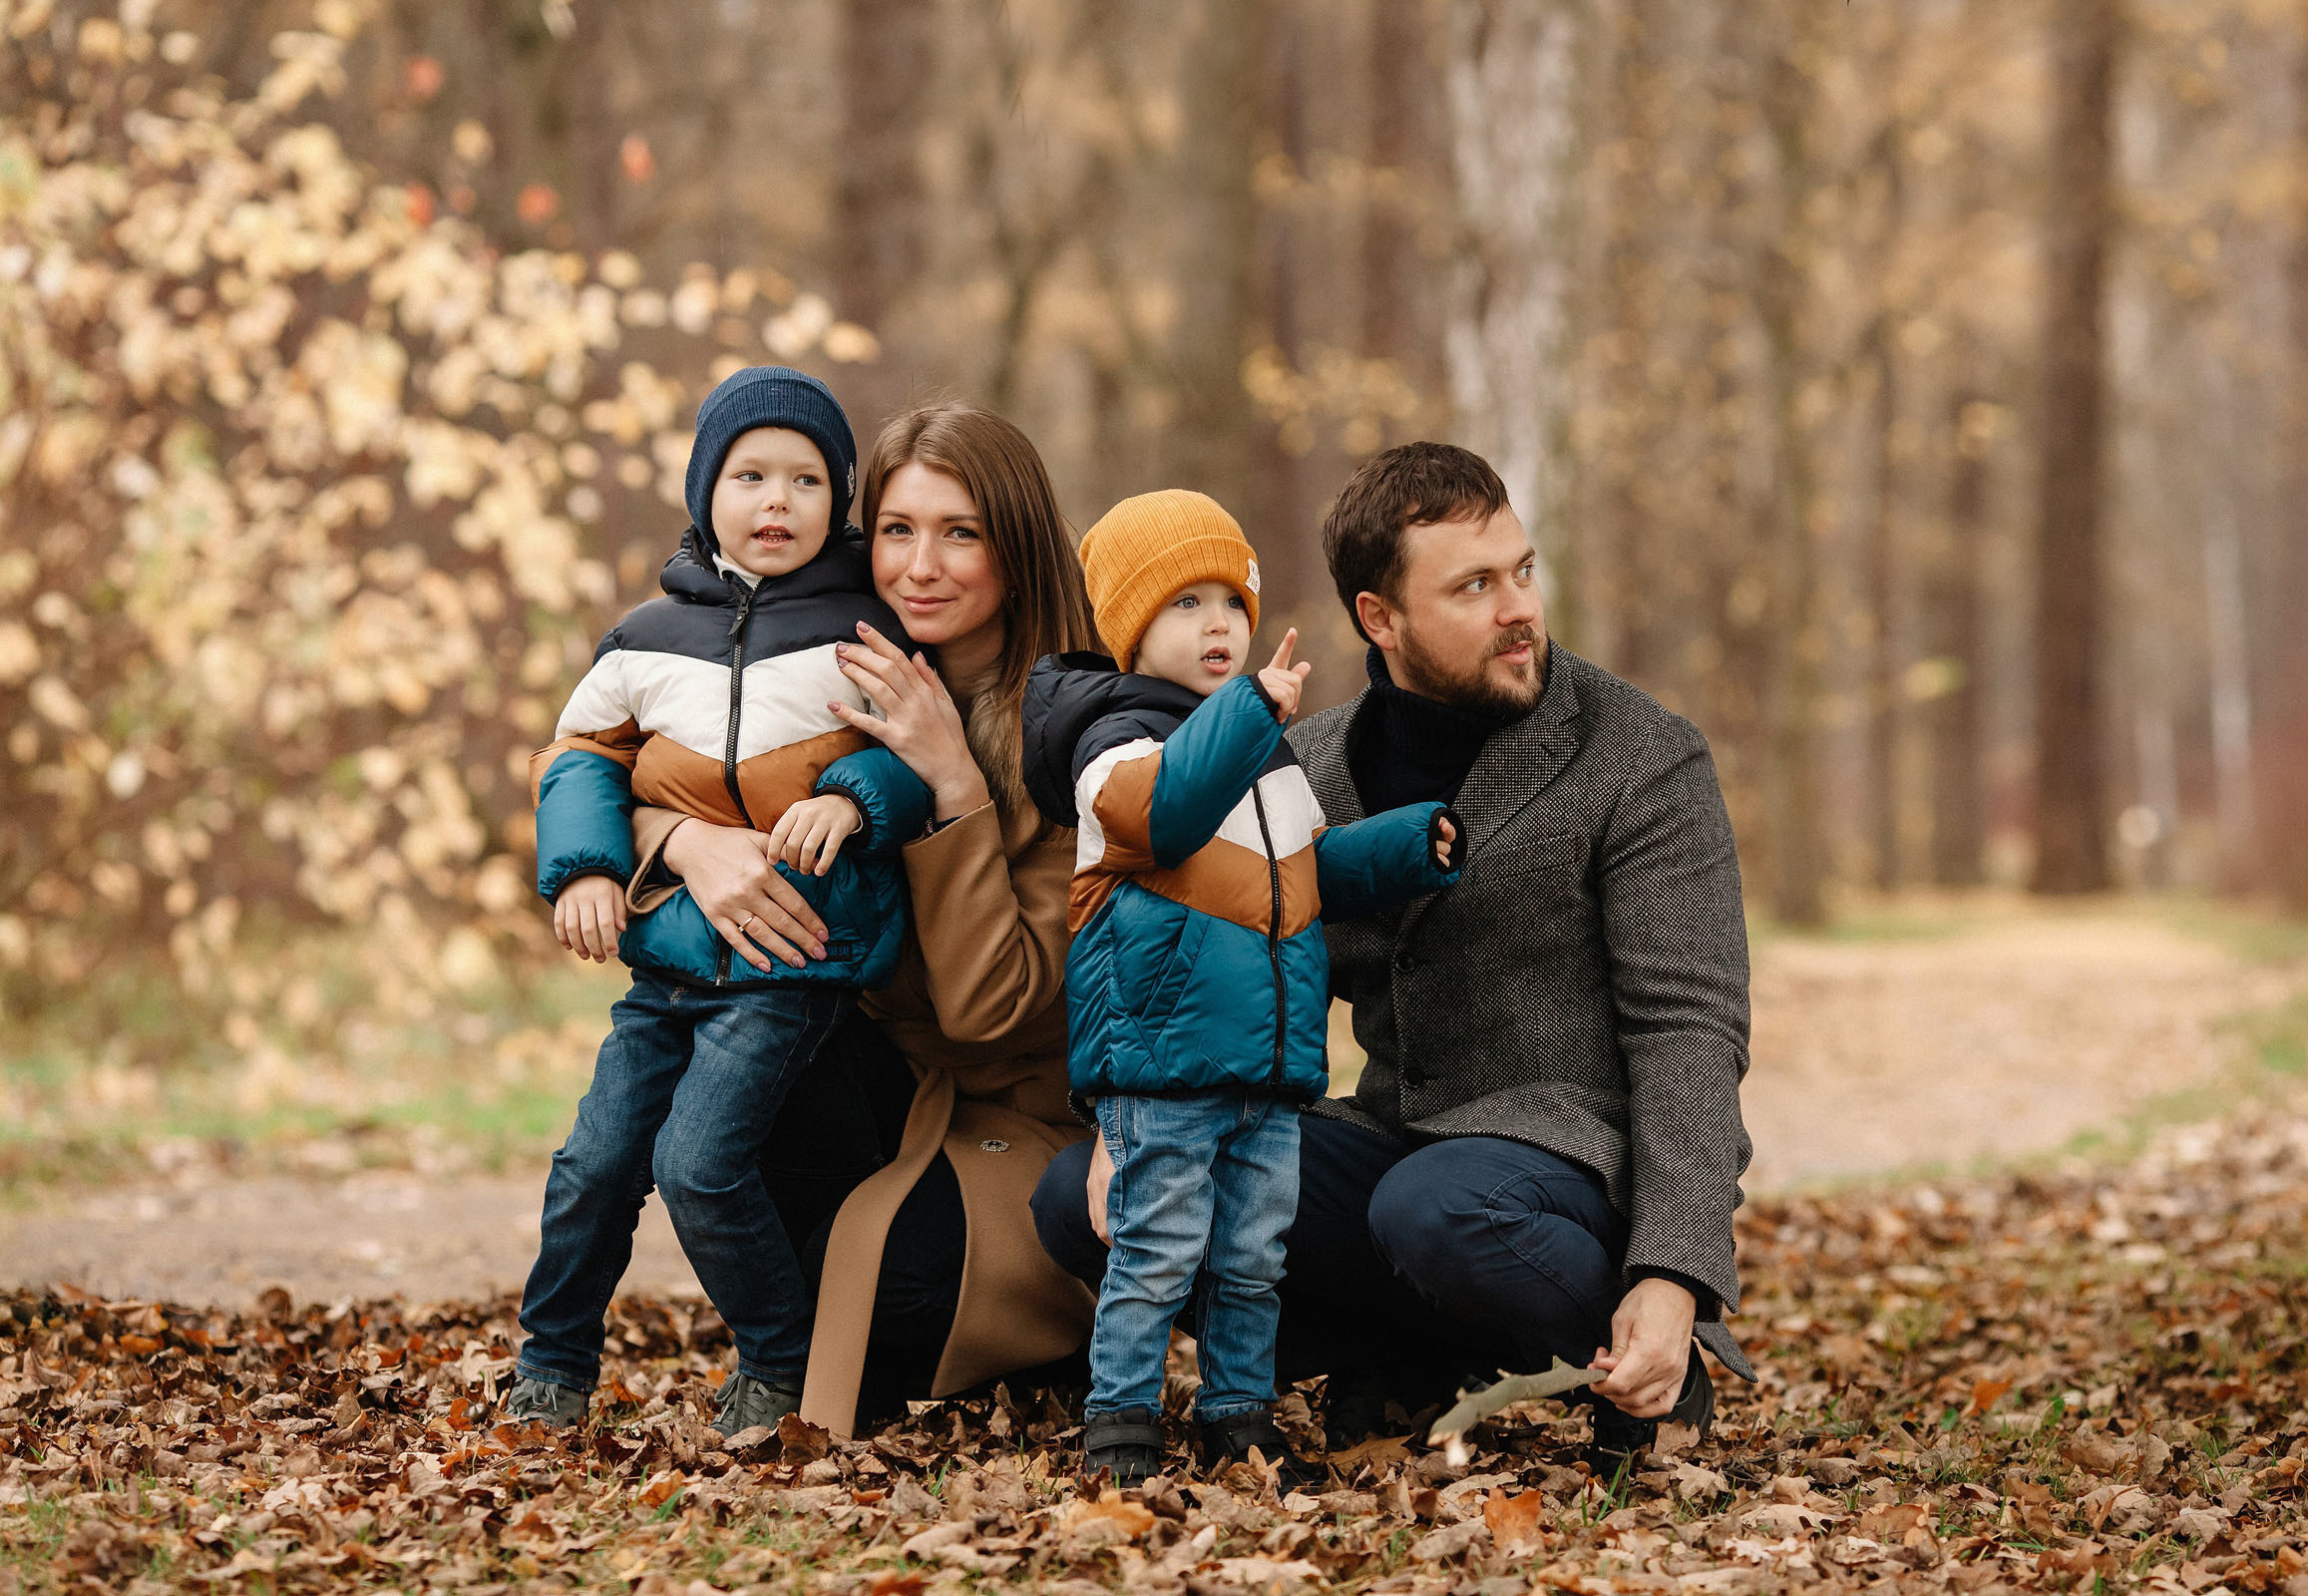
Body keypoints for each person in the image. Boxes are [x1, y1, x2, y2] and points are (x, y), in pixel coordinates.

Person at [1032, 442, 1755, 1468]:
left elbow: (1690, 1029)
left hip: (1560, 1171)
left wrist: (1672, 1275)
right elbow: (1184, 950)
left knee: (1440, 1206)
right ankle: (1399, 1351)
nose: (1519, 609)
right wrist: (1127, 1115)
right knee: (1087, 1195)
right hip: (1393, 1148)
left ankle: (1650, 1365)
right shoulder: (1300, 765)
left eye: (1521, 571)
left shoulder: (1640, 753)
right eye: (1473, 586)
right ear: (1380, 617)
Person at [620, 403, 1102, 1436]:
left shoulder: (1075, 731)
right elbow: (623, 766)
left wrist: (955, 786)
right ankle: (794, 1338)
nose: (921, 566)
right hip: (869, 1092)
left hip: (1021, 1127)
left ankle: (1047, 1329)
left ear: (1017, 550)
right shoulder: (820, 681)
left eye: (960, 533)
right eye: (896, 530)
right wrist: (686, 841)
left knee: (895, 1305)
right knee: (728, 1044)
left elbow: (990, 1014)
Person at [511, 367, 931, 1438]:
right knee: (593, 1164)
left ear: (839, 501)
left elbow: (916, 756)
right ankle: (551, 1365)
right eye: (750, 476)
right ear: (706, 491)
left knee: (698, 1165)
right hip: (667, 964)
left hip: (793, 962)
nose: (777, 500)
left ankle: (781, 1362)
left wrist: (853, 796)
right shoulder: (646, 636)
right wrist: (589, 868)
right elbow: (580, 755)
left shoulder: (864, 630)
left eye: (805, 479)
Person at [1018, 491, 1461, 1484]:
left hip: (1266, 1066)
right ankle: (1122, 1423)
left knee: (1254, 1257)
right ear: (1131, 626)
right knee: (1157, 1249)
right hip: (1164, 1064)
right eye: (1185, 603)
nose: (1217, 623)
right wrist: (1249, 714)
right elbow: (1163, 816)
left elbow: (1309, 872)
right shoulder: (1112, 741)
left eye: (1231, 600)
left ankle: (1237, 1419)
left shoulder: (1262, 754)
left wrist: (1408, 844)